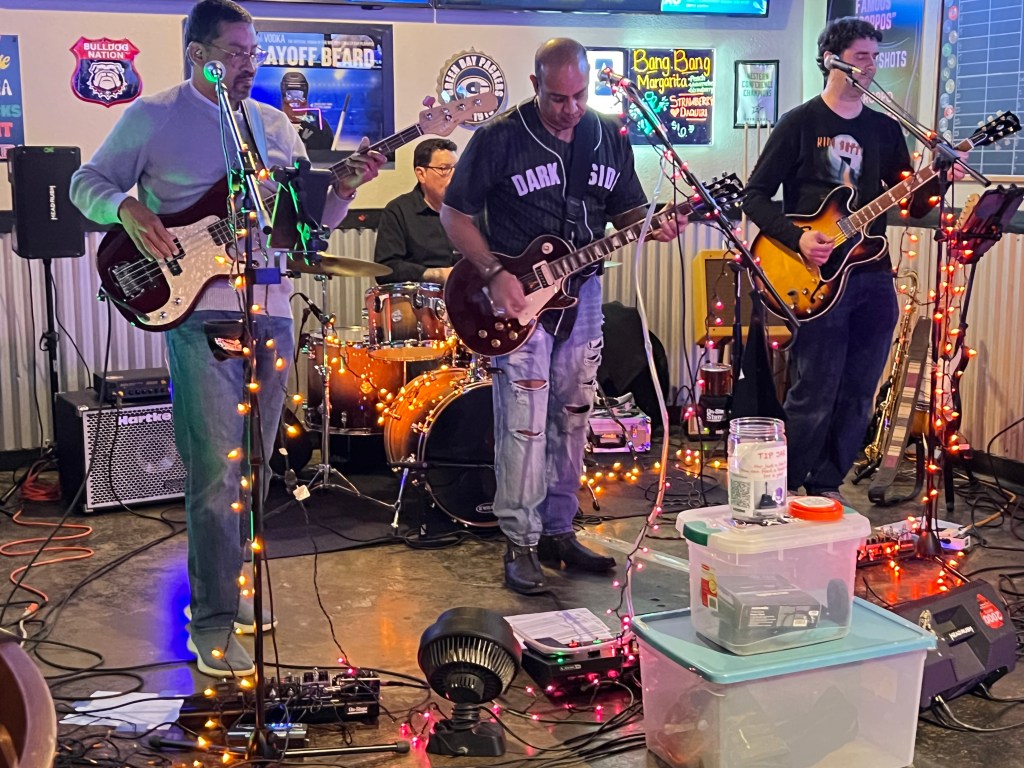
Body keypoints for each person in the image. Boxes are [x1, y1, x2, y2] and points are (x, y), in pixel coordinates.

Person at [70, 0, 384, 677]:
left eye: (253, 52)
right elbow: (83, 183)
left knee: (256, 467)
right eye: (236, 52)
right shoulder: (154, 115)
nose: (249, 64)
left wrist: (342, 192)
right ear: (199, 55)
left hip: (269, 309)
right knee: (216, 473)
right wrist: (126, 207)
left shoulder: (271, 126)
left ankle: (230, 583)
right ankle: (210, 618)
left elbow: (306, 229)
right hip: (197, 312)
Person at [440, 38, 685, 595]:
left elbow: (627, 210)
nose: (570, 107)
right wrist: (492, 272)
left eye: (579, 95)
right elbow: (454, 214)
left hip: (584, 293)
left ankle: (557, 529)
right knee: (523, 420)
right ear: (535, 85)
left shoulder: (608, 135)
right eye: (557, 98)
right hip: (517, 299)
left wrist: (656, 225)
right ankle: (520, 541)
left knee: (574, 415)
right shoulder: (499, 137)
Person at [742, 17, 962, 502]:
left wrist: (940, 176)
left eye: (875, 57)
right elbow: (753, 196)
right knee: (814, 390)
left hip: (870, 273)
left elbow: (912, 204)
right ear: (832, 60)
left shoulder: (884, 128)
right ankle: (784, 489)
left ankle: (827, 486)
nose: (871, 66)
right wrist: (798, 239)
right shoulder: (800, 123)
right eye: (861, 56)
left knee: (860, 389)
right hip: (816, 274)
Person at [373, 138, 459, 285]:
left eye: (457, 168)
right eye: (444, 169)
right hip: (421, 296)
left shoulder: (469, 210)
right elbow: (386, 269)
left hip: (467, 294)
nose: (454, 177)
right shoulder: (398, 210)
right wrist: (436, 274)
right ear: (421, 174)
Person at [280, 70, 335, 151]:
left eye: (298, 95)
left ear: (305, 96)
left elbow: (328, 154)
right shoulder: (273, 123)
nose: (294, 100)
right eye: (290, 94)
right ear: (283, 97)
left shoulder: (319, 125)